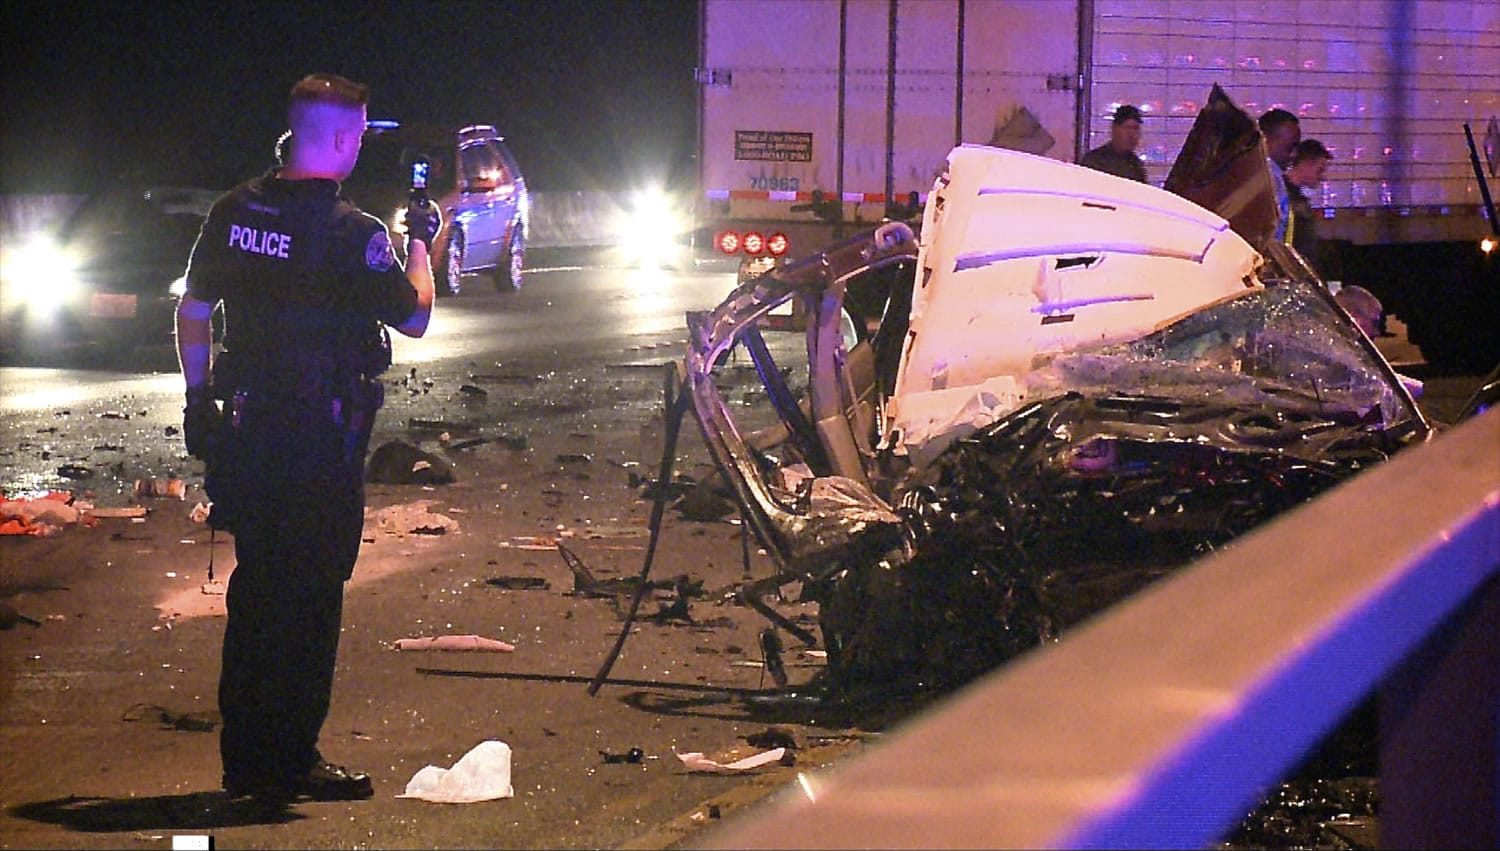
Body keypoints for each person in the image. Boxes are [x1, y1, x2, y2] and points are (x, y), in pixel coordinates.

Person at [176, 72, 439, 804]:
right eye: (357, 134)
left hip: (249, 431)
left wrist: (198, 397)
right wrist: (423, 245)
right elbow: (414, 315)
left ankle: (246, 760)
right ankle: (291, 757)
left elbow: (194, 310)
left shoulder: (235, 212)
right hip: (321, 444)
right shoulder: (353, 234)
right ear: (345, 140)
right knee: (313, 600)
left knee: (256, 591)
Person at [1284, 138, 1333, 274]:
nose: (1323, 177)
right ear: (1306, 164)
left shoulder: (1295, 198)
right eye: (1320, 170)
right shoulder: (1285, 198)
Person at [1257, 108, 1302, 242]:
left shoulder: (1259, 175)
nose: (1294, 154)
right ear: (1266, 141)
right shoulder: (1269, 179)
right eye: (1289, 147)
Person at [1079, 104, 1148, 183]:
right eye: (1127, 128)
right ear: (1114, 129)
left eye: (1135, 128)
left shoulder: (1136, 164)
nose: (1131, 135)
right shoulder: (1095, 161)